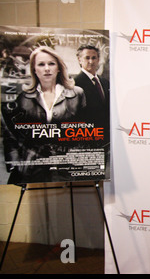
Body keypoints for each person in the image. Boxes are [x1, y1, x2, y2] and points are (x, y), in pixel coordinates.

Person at [1, 46, 86, 184]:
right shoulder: (24, 97)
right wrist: (14, 163)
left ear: (59, 67)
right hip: (33, 167)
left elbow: (87, 130)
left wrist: (82, 162)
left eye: (51, 63)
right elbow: (10, 133)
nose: (47, 68)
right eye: (41, 64)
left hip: (66, 166)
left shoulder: (77, 94)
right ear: (34, 69)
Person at [74, 45, 109, 128]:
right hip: (87, 132)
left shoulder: (105, 82)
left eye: (94, 58)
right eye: (87, 58)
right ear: (79, 60)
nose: (91, 61)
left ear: (98, 60)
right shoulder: (75, 83)